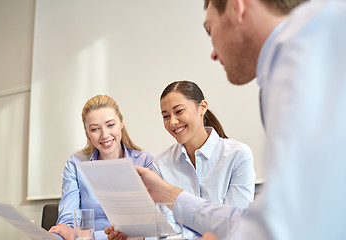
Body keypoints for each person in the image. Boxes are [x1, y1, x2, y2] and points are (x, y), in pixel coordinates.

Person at [133, 0, 346, 239]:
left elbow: (287, 223)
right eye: (165, 115)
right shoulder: (282, 71)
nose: (213, 53)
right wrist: (169, 197)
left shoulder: (305, 64)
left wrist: (173, 198)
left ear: (237, 7)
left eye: (209, 30)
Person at [105, 80, 255, 240]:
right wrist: (136, 236)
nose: (173, 122)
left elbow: (234, 227)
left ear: (202, 107)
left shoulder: (238, 155)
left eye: (179, 111)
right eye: (165, 116)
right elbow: (165, 230)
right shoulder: (161, 163)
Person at [49, 95, 154, 240]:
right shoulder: (75, 163)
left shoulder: (146, 162)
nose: (104, 135)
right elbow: (66, 225)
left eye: (110, 125)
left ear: (121, 122)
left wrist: (89, 235)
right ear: (87, 132)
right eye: (95, 129)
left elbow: (152, 229)